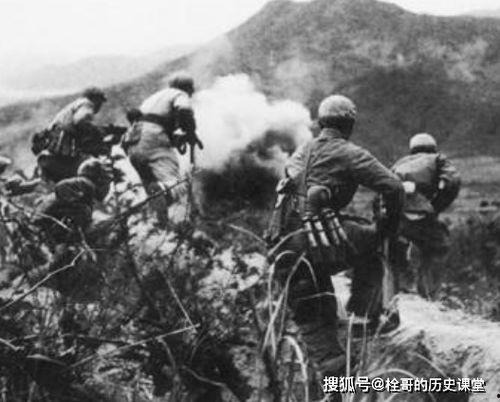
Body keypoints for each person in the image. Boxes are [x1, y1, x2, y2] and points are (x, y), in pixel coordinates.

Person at [268, 94, 404, 377]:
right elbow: (394, 187)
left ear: (321, 123)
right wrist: (388, 227)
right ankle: (364, 316)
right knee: (375, 241)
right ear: (349, 125)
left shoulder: (300, 152)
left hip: (286, 248)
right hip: (319, 241)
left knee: (316, 313)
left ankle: (333, 373)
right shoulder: (349, 153)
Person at [122, 71, 202, 227]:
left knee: (152, 190)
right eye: (191, 88)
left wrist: (176, 138)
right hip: (152, 138)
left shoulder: (153, 98)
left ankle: (160, 226)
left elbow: (151, 122)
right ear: (186, 87)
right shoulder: (179, 94)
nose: (192, 92)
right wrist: (190, 132)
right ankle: (180, 220)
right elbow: (184, 110)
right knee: (174, 184)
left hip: (132, 142)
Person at [391, 133, 460, 299]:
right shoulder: (438, 159)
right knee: (438, 246)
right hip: (421, 213)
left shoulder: (399, 163)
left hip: (397, 215)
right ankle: (428, 292)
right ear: (433, 147)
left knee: (394, 247)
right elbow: (452, 181)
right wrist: (436, 206)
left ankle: (399, 285)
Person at [34, 87, 109, 183]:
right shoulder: (87, 104)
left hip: (52, 146)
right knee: (93, 169)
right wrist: (97, 131)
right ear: (95, 99)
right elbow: (80, 120)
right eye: (100, 102)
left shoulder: (75, 105)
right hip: (63, 147)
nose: (99, 107)